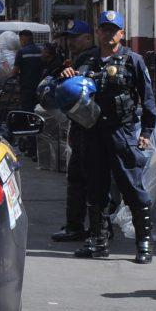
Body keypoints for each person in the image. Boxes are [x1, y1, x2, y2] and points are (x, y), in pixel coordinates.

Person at [73, 11, 156, 264]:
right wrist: (67, 78)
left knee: (132, 187)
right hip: (92, 132)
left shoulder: (133, 60)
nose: (109, 34)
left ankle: (143, 244)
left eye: (114, 30)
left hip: (121, 132)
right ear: (97, 32)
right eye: (104, 29)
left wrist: (146, 132)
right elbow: (72, 96)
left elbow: (148, 97)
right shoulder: (85, 59)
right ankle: (98, 242)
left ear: (122, 34)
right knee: (95, 188)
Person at [51, 20, 96, 243]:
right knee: (80, 178)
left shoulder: (92, 58)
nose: (70, 42)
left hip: (91, 128)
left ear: (88, 38)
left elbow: (82, 90)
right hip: (81, 126)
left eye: (75, 37)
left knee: (82, 179)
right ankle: (81, 226)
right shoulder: (79, 58)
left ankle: (81, 227)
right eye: (68, 37)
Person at [12, 30, 44, 112]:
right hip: (40, 86)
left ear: (24, 38)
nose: (20, 42)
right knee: (38, 108)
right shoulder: (41, 51)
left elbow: (15, 71)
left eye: (20, 39)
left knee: (27, 110)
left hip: (27, 87)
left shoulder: (21, 52)